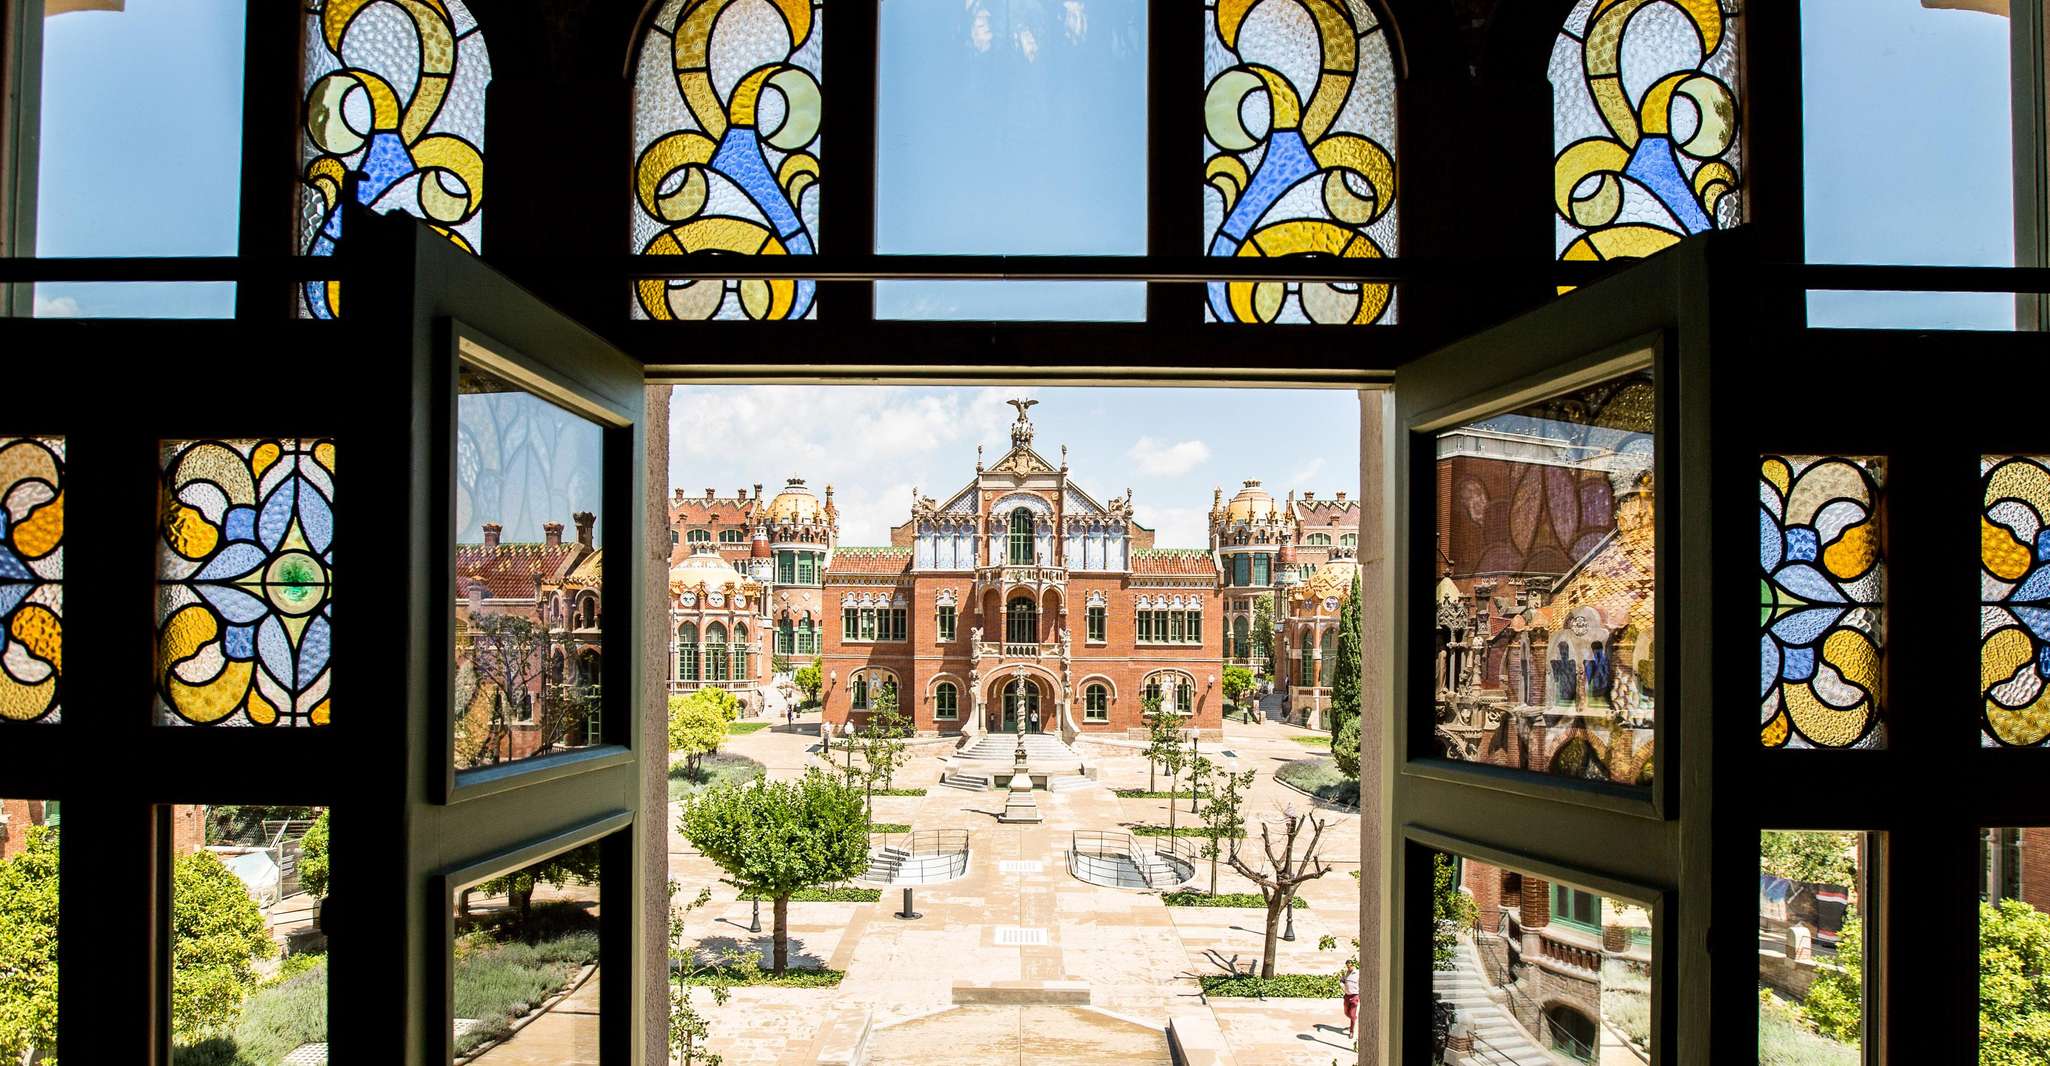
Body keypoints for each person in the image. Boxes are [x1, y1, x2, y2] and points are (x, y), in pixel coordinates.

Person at [1340, 960, 1359, 1046]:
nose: (1348, 968)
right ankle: (1354, 1019)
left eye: (1350, 966)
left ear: (1353, 965)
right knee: (1346, 1013)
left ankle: (1351, 1031)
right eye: (1347, 966)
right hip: (1347, 996)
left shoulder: (1357, 973)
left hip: (1355, 996)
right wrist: (1341, 982)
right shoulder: (1346, 973)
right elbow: (1342, 980)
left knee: (1352, 1014)